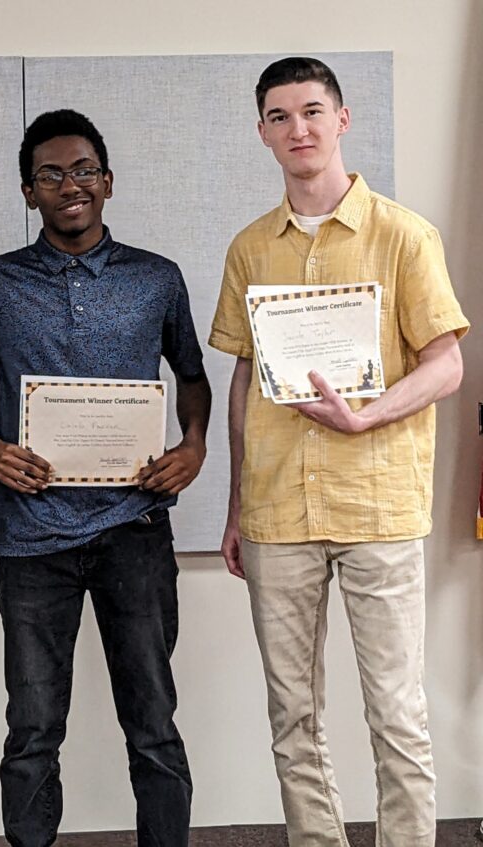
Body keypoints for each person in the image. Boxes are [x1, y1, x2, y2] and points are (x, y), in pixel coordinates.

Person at [209, 57, 468, 847]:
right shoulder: (250, 247)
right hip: (278, 511)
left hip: (378, 506)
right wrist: (235, 508)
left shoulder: (403, 234)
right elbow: (245, 379)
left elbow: (447, 364)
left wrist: (365, 419)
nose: (300, 130)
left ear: (343, 119)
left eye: (313, 111)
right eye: (281, 117)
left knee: (396, 709)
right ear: (262, 133)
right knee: (293, 715)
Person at [0, 109, 210, 847]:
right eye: (52, 174)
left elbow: (191, 376)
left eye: (85, 170)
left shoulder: (156, 278)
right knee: (32, 727)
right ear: (28, 192)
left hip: (136, 528)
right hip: (33, 541)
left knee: (153, 721)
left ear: (109, 181)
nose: (71, 185)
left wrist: (192, 446)